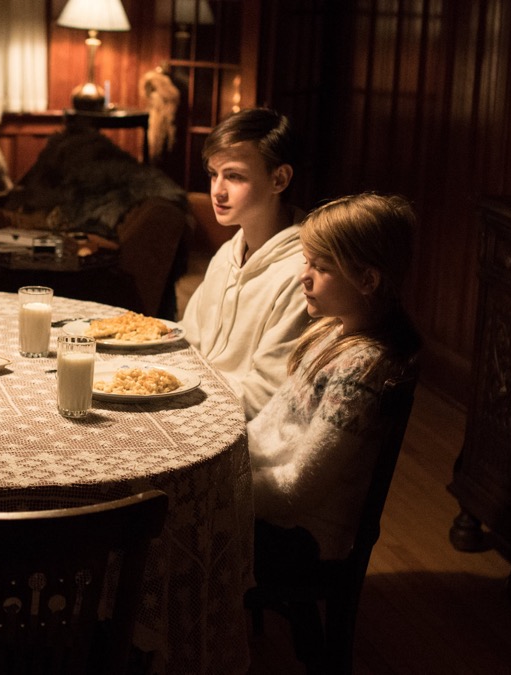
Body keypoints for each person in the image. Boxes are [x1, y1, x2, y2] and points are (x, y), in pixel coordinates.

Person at [248, 192, 422, 568]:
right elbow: (267, 427)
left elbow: (295, 492)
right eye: (305, 261)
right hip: (268, 500)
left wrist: (218, 489)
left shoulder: (361, 372)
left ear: (367, 279)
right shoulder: (331, 332)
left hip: (302, 533)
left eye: (321, 267)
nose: (302, 276)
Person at [179, 108, 312, 419]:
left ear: (279, 179)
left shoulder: (301, 273)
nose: (217, 191)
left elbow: (267, 395)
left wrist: (184, 406)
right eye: (213, 174)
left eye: (234, 176)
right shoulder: (227, 253)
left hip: (237, 431)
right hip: (192, 408)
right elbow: (187, 344)